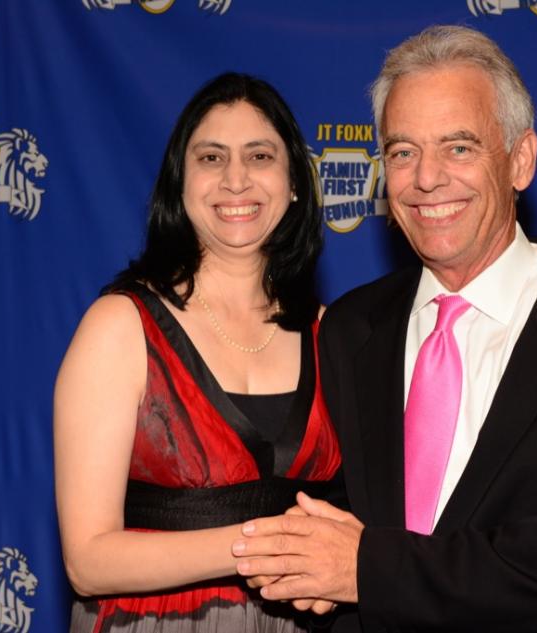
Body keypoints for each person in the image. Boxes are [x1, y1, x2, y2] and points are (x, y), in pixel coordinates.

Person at [231, 25, 537, 633]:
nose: (426, 178)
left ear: (520, 160)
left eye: (458, 148)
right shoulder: (349, 328)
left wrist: (369, 569)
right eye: (403, 152)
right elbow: (330, 521)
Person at [53, 72, 341, 633]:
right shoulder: (121, 326)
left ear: (295, 184)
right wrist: (264, 545)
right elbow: (87, 562)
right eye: (211, 158)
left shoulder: (329, 333)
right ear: (180, 186)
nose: (236, 179)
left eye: (260, 156)